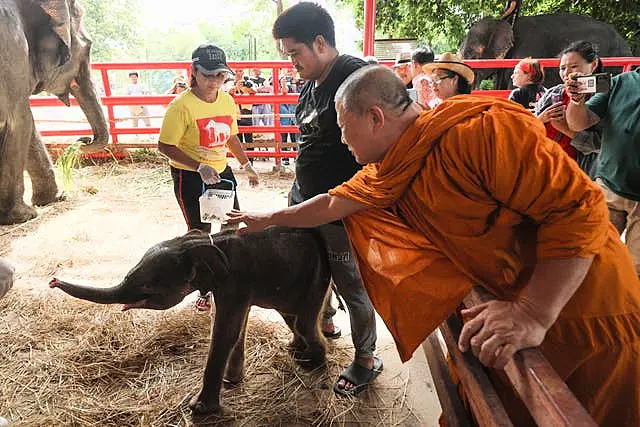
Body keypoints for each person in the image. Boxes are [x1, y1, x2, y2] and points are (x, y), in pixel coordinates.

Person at [227, 65, 640, 426]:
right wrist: (266, 219)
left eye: (341, 124)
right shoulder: (391, 166)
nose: (340, 136)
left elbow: (578, 210)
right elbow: (334, 202)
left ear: (374, 117)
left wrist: (533, 311)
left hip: (588, 309)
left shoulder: (478, 132)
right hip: (510, 310)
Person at [271, 2, 380, 397]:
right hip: (303, 200)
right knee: (307, 269)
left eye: (294, 53)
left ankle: (366, 358)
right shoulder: (309, 85)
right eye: (287, 56)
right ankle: (325, 322)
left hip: (340, 210)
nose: (291, 63)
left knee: (351, 282)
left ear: (320, 42)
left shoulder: (357, 76)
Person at [157, 44, 260, 311]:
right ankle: (204, 288)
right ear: (194, 72)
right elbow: (165, 146)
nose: (214, 81)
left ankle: (226, 279)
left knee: (230, 226)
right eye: (208, 75)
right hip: (191, 175)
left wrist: (246, 164)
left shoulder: (227, 100)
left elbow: (231, 136)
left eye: (220, 75)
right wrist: (198, 165)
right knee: (200, 233)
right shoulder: (181, 106)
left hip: (220, 172)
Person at [566, 64, 640, 276]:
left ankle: (630, 306)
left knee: (636, 270)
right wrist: (576, 100)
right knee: (591, 255)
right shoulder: (620, 82)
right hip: (609, 187)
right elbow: (578, 123)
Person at [535, 41, 602, 179]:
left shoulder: (601, 96)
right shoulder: (554, 93)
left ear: (593, 65)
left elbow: (602, 145)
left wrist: (567, 130)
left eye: (574, 66)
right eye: (562, 68)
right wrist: (540, 119)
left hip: (580, 172)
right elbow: (528, 126)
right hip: (544, 163)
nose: (566, 73)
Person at [278, 77, 297, 166]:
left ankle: (295, 155)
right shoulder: (277, 90)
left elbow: (285, 90)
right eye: (282, 80)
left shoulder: (291, 88)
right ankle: (285, 157)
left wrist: (285, 84)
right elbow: (284, 90)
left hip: (292, 116)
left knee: (294, 137)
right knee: (284, 138)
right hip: (283, 118)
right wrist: (283, 84)